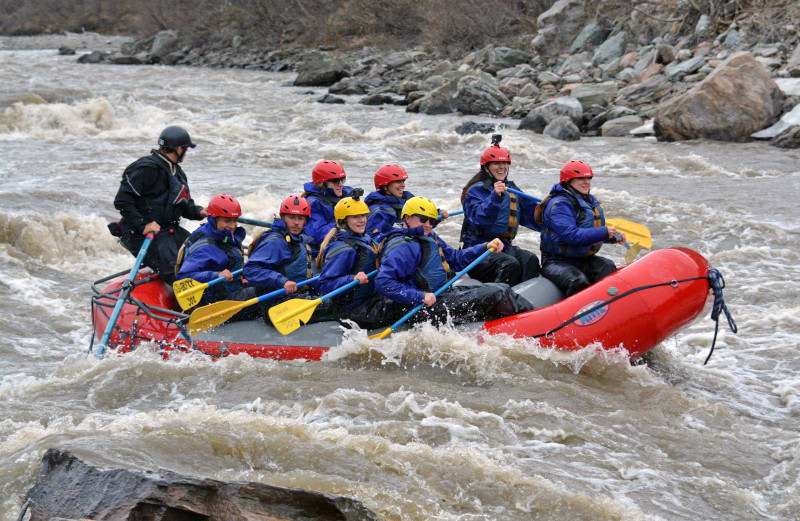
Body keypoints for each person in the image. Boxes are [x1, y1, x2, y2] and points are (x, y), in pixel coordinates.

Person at [375, 196, 533, 328]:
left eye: (432, 221)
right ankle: (533, 325)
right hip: (421, 308)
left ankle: (523, 320)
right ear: (407, 218)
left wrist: (485, 247)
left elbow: (456, 259)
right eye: (423, 219)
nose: (428, 225)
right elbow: (383, 282)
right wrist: (420, 296)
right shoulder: (402, 247)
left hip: (442, 295)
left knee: (501, 287)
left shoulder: (428, 236)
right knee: (499, 293)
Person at [112, 125, 207, 284]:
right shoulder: (145, 168)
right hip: (141, 233)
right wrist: (143, 225)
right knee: (175, 271)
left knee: (201, 253)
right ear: (178, 149)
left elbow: (184, 206)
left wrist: (200, 212)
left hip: (169, 231)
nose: (186, 153)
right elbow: (122, 201)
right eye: (185, 149)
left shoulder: (178, 173)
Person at [536, 160, 626, 297]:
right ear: (568, 181)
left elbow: (591, 231)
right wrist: (603, 232)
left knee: (607, 266)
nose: (587, 182)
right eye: (581, 178)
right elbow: (572, 236)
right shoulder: (559, 205)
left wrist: (613, 237)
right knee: (577, 281)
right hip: (556, 262)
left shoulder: (589, 201)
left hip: (583, 259)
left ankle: (607, 308)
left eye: (588, 178)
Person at [460, 134, 540, 286]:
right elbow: (478, 220)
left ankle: (523, 301)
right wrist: (495, 197)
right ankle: (500, 302)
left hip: (504, 246)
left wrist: (558, 219)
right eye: (496, 163)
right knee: (509, 264)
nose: (502, 167)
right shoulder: (474, 191)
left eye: (505, 163)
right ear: (486, 167)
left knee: (530, 259)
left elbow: (535, 215)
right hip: (478, 250)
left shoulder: (512, 190)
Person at [310, 193, 384, 328]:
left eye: (363, 216)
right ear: (344, 221)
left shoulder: (365, 238)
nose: (362, 220)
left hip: (367, 299)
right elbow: (324, 285)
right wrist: (351, 279)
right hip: (352, 309)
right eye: (355, 217)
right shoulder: (344, 249)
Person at [174, 194, 256, 314]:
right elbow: (184, 278)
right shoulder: (204, 247)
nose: (233, 226)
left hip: (233, 289)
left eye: (235, 220)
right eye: (227, 221)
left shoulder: (223, 234)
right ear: (213, 219)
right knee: (268, 291)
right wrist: (216, 275)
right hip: (218, 304)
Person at [244, 195, 314, 309]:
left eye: (300, 218)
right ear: (283, 217)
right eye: (292, 217)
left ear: (306, 220)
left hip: (293, 296)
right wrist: (283, 281)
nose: (296, 222)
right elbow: (250, 270)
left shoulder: (298, 239)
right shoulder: (276, 242)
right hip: (276, 303)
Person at [365, 164, 448, 238]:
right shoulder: (377, 212)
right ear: (385, 186)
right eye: (398, 182)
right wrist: (414, 231)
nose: (403, 185)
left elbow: (420, 222)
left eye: (403, 181)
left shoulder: (407, 200)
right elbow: (376, 239)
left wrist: (435, 216)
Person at [302, 159, 355, 256]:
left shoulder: (348, 196)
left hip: (343, 241)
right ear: (322, 183)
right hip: (320, 251)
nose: (340, 184)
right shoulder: (313, 204)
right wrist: (345, 225)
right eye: (335, 181)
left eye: (342, 179)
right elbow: (316, 235)